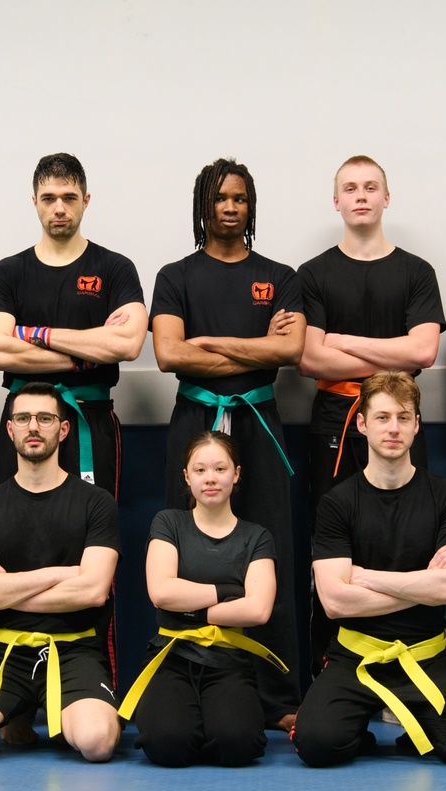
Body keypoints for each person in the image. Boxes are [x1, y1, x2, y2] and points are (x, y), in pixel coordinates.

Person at [148, 158, 304, 728]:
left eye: (239, 198)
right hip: (195, 418)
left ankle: (278, 695)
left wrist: (208, 341)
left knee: (270, 543)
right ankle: (186, 678)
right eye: (219, 199)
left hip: (259, 418)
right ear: (203, 206)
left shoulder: (280, 275)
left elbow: (289, 352)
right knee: (187, 544)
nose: (230, 208)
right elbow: (169, 354)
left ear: (251, 205)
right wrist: (254, 345)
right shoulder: (176, 276)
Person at [293, 371, 446, 768]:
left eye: (404, 417)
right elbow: (335, 602)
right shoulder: (338, 503)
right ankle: (358, 731)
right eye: (383, 417)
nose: (393, 428)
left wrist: (366, 578)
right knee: (316, 744)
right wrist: (425, 585)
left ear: (417, 424)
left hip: (426, 656)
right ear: (362, 424)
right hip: (355, 657)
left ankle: (420, 726)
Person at [294, 155, 444, 662]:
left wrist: (344, 341)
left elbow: (424, 351)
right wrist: (390, 351)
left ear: (386, 197)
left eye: (371, 187)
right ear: (336, 201)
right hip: (334, 421)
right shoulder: (313, 274)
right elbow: (311, 359)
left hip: (400, 420)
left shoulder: (416, 272)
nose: (361, 195)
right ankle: (329, 666)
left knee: (409, 537)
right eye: (351, 188)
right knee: (331, 542)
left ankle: (412, 655)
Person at [0, 383, 122, 762]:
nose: (33, 426)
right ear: (10, 429)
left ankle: (52, 714)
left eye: (45, 418)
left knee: (96, 743)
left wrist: (3, 586)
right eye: (22, 418)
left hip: (73, 649)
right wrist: (62, 574)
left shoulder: (97, 503)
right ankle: (17, 710)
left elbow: (92, 592)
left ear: (63, 429)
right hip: (2, 649)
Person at [0, 152, 145, 493]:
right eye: (48, 198)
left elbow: (127, 344)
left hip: (89, 415)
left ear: (85, 200)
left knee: (93, 518)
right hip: (24, 420)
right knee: (16, 518)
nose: (59, 208)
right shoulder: (8, 273)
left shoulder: (115, 268)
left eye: (69, 198)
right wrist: (89, 354)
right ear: (34, 202)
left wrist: (33, 334)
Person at [120, 431, 287, 767]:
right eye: (200, 470)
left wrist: (190, 610)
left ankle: (212, 724)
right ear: (187, 476)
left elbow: (258, 610)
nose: (210, 478)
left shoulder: (256, 537)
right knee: (168, 745)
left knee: (238, 745)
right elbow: (161, 592)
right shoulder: (168, 523)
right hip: (172, 657)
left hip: (228, 659)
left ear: (236, 474)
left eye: (220, 469)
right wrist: (227, 592)